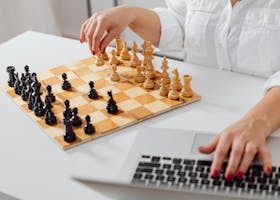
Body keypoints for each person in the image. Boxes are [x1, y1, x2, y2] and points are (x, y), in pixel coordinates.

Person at [80, 0, 280, 180]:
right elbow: (180, 26)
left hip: (268, 127)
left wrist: (258, 122)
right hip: (195, 114)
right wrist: (130, 13)